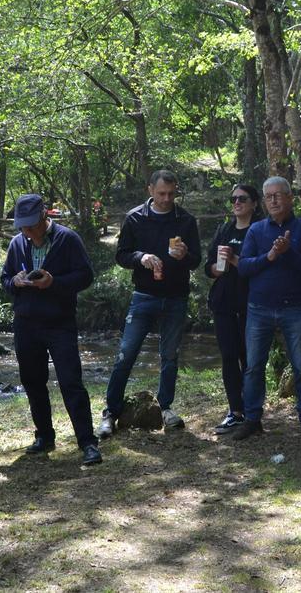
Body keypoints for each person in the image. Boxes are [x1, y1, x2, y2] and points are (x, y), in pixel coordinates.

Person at [0, 194, 101, 465]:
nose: (27, 231)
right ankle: (44, 436)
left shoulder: (68, 239)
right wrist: (16, 282)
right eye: (23, 226)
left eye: (32, 225)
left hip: (60, 322)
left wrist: (53, 282)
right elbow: (5, 279)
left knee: (70, 381)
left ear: (45, 216)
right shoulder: (17, 243)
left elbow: (85, 276)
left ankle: (87, 441)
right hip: (26, 323)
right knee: (33, 381)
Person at [100, 170, 202, 434]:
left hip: (176, 296)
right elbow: (121, 256)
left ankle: (166, 408)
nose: (167, 199)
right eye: (161, 194)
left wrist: (184, 256)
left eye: (171, 193)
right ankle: (110, 411)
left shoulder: (186, 220)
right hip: (144, 295)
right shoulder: (135, 218)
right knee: (126, 354)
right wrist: (140, 257)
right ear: (150, 191)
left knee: (169, 356)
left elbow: (196, 261)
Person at [233, 176, 301, 441]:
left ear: (290, 198)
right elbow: (245, 267)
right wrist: (270, 256)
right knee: (253, 367)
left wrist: (288, 253)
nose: (273, 200)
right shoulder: (256, 230)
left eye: (278, 195)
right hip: (259, 308)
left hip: (294, 308)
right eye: (268, 196)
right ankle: (252, 419)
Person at [205, 184, 260, 435]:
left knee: (250, 359)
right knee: (228, 357)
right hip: (224, 302)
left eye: (242, 199)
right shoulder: (224, 229)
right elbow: (210, 268)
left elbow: (262, 266)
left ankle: (252, 412)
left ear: (254, 203)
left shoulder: (259, 230)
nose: (237, 203)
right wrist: (218, 267)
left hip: (252, 304)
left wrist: (238, 261)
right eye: (233, 199)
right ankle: (235, 411)